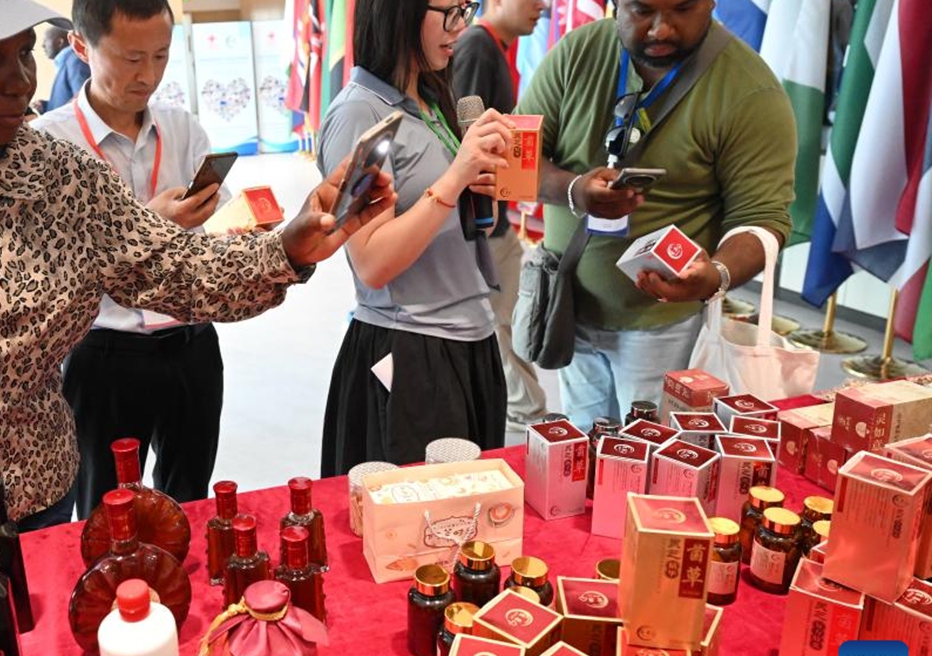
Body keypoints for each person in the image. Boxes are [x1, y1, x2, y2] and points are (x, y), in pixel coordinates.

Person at [0, 0, 394, 568]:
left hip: (25, 492)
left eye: (24, 53)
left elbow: (174, 269)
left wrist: (287, 247)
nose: (19, 80)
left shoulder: (59, 175)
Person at [513, 0, 796, 432]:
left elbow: (763, 221)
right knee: (582, 451)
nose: (662, 30)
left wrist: (716, 274)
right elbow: (516, 159)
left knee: (648, 461)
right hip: (569, 308)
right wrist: (573, 189)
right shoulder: (576, 53)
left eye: (682, 9)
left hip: (663, 328)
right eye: (643, 10)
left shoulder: (749, 90)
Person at [33, 0, 228, 512]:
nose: (149, 75)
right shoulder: (47, 144)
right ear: (82, 46)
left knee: (189, 502)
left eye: (160, 56)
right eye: (131, 58)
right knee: (105, 509)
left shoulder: (182, 128)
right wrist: (150, 222)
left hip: (192, 345)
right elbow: (46, 266)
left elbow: (219, 236)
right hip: (103, 353)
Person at [318, 0, 514, 477]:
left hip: (471, 337)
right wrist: (453, 180)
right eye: (449, 12)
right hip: (411, 349)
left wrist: (477, 181)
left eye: (466, 9)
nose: (461, 26)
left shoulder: (431, 98)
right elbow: (370, 262)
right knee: (421, 532)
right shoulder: (358, 114)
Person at [452, 0, 548, 431]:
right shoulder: (476, 46)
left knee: (507, 321)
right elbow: (464, 137)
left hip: (494, 221)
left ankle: (522, 415)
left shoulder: (494, 47)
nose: (542, 8)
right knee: (502, 324)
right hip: (481, 224)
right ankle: (524, 419)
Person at [43, 25, 91, 112]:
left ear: (59, 42)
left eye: (45, 41)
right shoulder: (65, 61)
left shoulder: (75, 61)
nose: (43, 45)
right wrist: (45, 105)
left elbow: (82, 99)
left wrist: (51, 118)